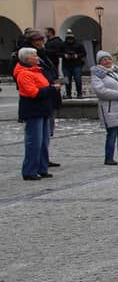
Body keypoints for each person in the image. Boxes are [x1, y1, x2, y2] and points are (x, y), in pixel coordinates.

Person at [15, 48, 57, 180]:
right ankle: (29, 170)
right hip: (33, 110)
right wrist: (51, 89)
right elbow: (33, 93)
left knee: (44, 141)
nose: (37, 58)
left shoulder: (37, 71)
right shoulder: (24, 74)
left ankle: (42, 168)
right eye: (34, 56)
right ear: (27, 59)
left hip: (43, 109)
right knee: (34, 142)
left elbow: (43, 86)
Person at [90, 51, 118, 165]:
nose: (107, 61)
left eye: (109, 59)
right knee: (112, 133)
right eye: (104, 60)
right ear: (99, 62)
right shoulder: (97, 74)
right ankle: (109, 158)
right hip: (109, 107)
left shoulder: (117, 71)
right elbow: (100, 91)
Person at [61, 33, 87, 98]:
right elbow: (58, 52)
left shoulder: (79, 44)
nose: (70, 41)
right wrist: (64, 55)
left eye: (71, 39)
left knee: (78, 79)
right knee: (67, 80)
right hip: (66, 65)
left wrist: (77, 55)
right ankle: (68, 94)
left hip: (77, 64)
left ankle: (79, 94)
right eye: (68, 39)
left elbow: (84, 53)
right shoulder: (63, 45)